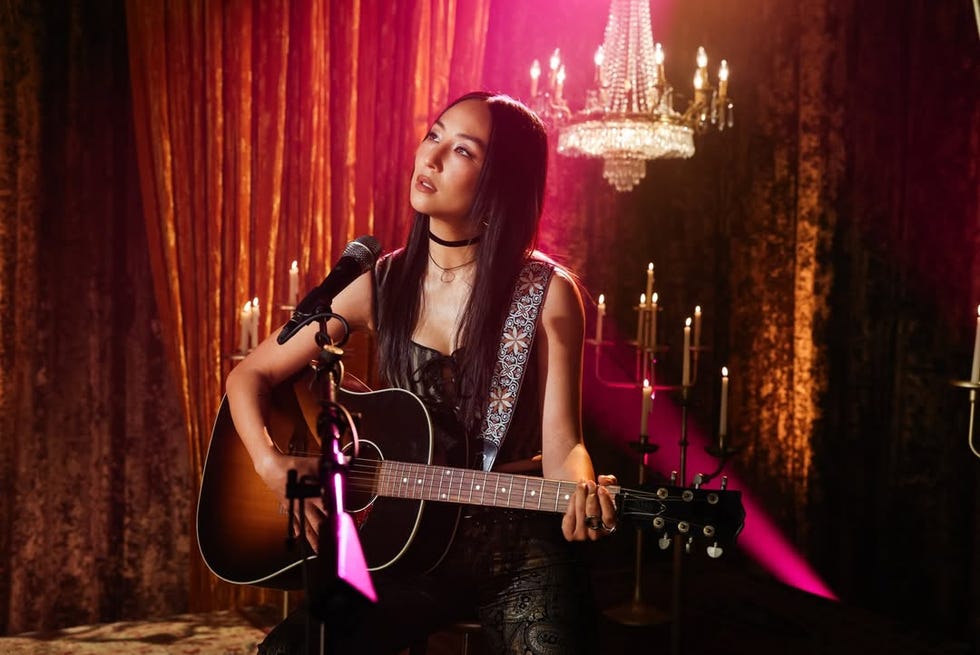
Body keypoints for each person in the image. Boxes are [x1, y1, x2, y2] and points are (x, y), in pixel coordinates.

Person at [225, 91, 619, 655]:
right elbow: (249, 376)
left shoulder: (548, 294)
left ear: (499, 183)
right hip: (404, 545)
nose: (430, 158)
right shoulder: (380, 284)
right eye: (433, 135)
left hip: (517, 547)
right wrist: (273, 466)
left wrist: (580, 488)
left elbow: (565, 445)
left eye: (462, 150)